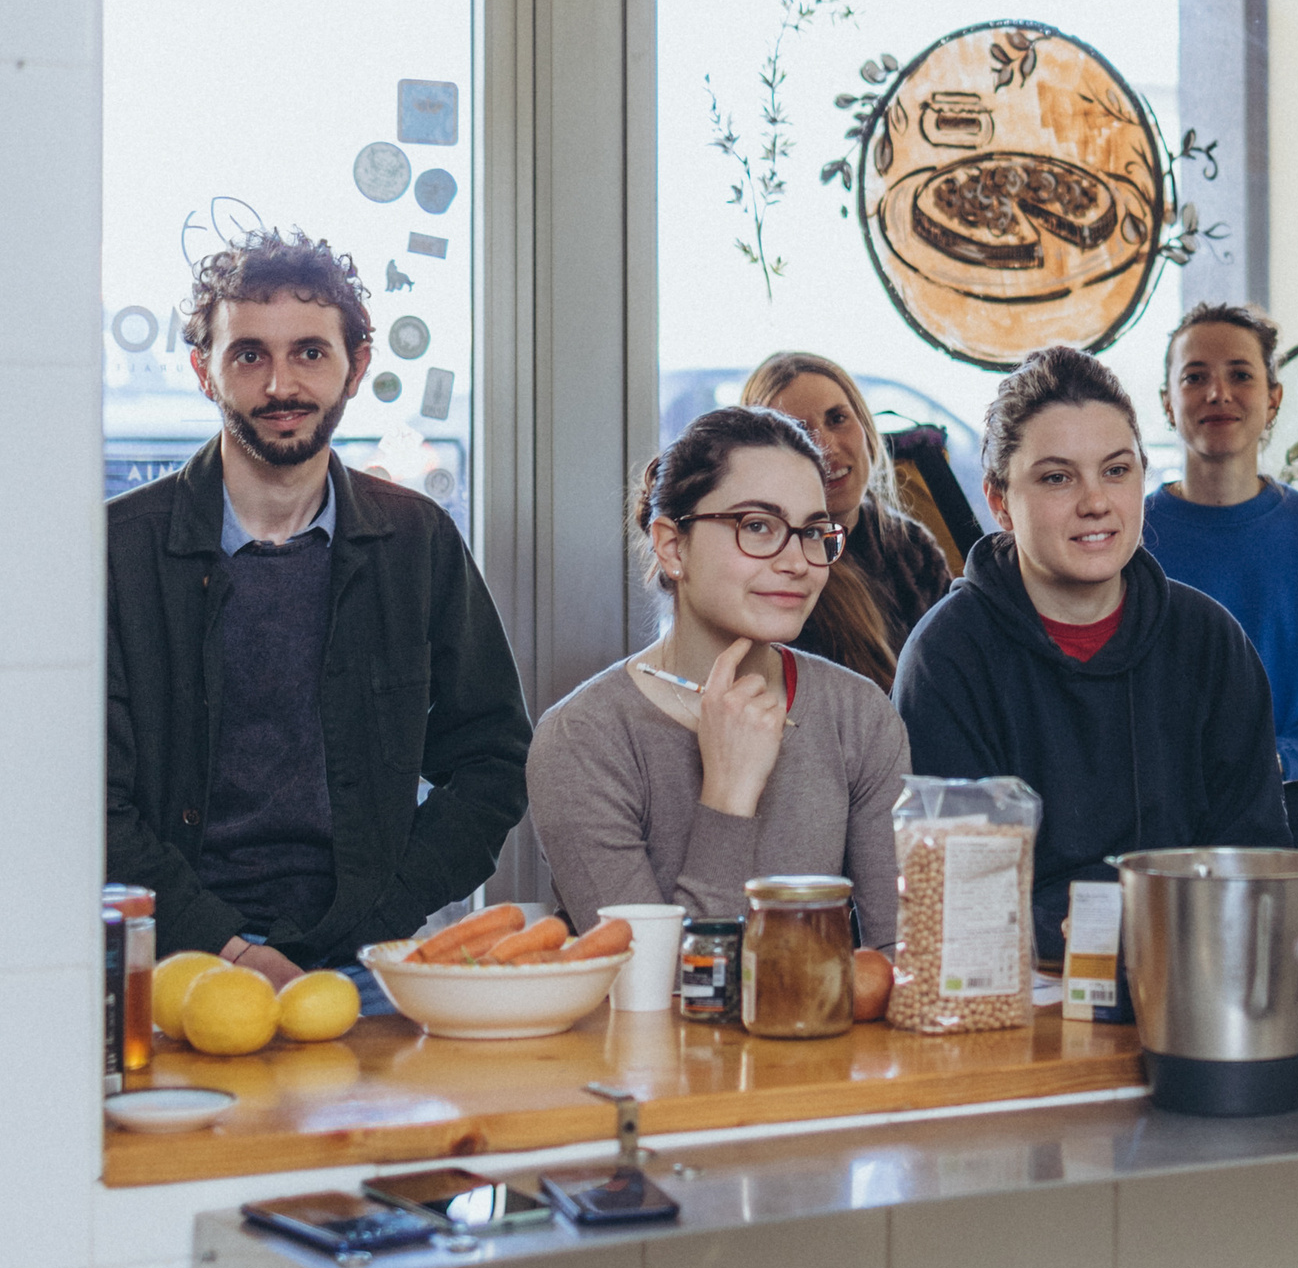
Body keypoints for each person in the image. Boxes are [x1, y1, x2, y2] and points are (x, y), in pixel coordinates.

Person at [105, 230, 530, 981]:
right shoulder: (118, 550)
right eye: (249, 356)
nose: (280, 386)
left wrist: (382, 914)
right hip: (167, 958)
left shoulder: (415, 539)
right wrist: (226, 945)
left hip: (367, 958)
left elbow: (492, 761)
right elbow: (85, 794)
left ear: (354, 366)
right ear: (205, 371)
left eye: (309, 352)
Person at [894, 343, 1289, 959]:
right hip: (1014, 987)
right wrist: (1087, 931)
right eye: (1057, 478)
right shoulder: (948, 657)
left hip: (1193, 972)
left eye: (1116, 470)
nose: (1095, 502)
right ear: (999, 502)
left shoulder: (1209, 640)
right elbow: (955, 893)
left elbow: (1255, 854)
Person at [528, 405, 905, 944]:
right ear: (672, 546)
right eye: (757, 526)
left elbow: (900, 957)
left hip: (827, 1025)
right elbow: (657, 982)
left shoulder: (859, 714)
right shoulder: (582, 740)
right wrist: (728, 794)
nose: (798, 562)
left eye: (813, 532)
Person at [1143, 301, 1298, 806]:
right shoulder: (1126, 540)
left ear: (1273, 398)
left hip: (1293, 809)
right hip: (1153, 806)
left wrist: (1272, 761)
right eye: (1195, 377)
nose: (1218, 393)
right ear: (1168, 402)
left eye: (1240, 374)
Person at [741, 349, 951, 678]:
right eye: (798, 432)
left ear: (865, 427)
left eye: (837, 418)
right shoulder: (767, 571)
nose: (826, 447)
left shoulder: (912, 546)